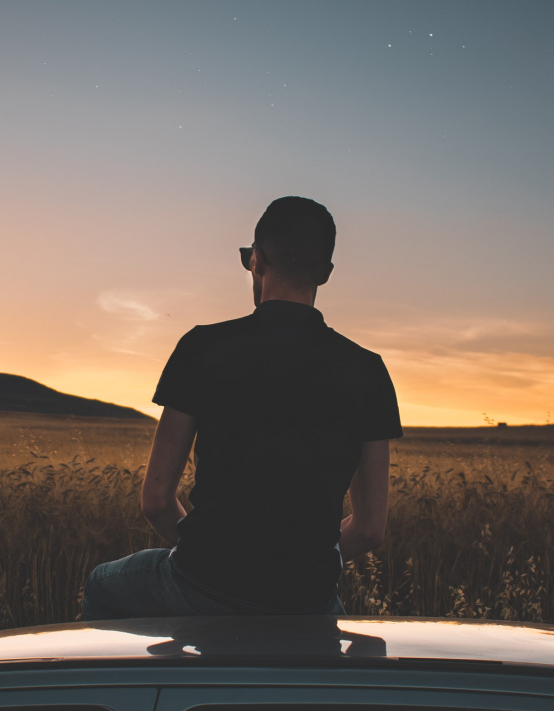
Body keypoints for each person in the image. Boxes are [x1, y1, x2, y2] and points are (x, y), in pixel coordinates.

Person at [81, 196, 402, 619]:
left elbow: (156, 501)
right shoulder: (368, 371)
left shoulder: (201, 347)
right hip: (307, 597)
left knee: (100, 585)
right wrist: (291, 568)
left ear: (256, 260)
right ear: (324, 274)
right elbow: (369, 529)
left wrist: (217, 558)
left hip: (202, 582)